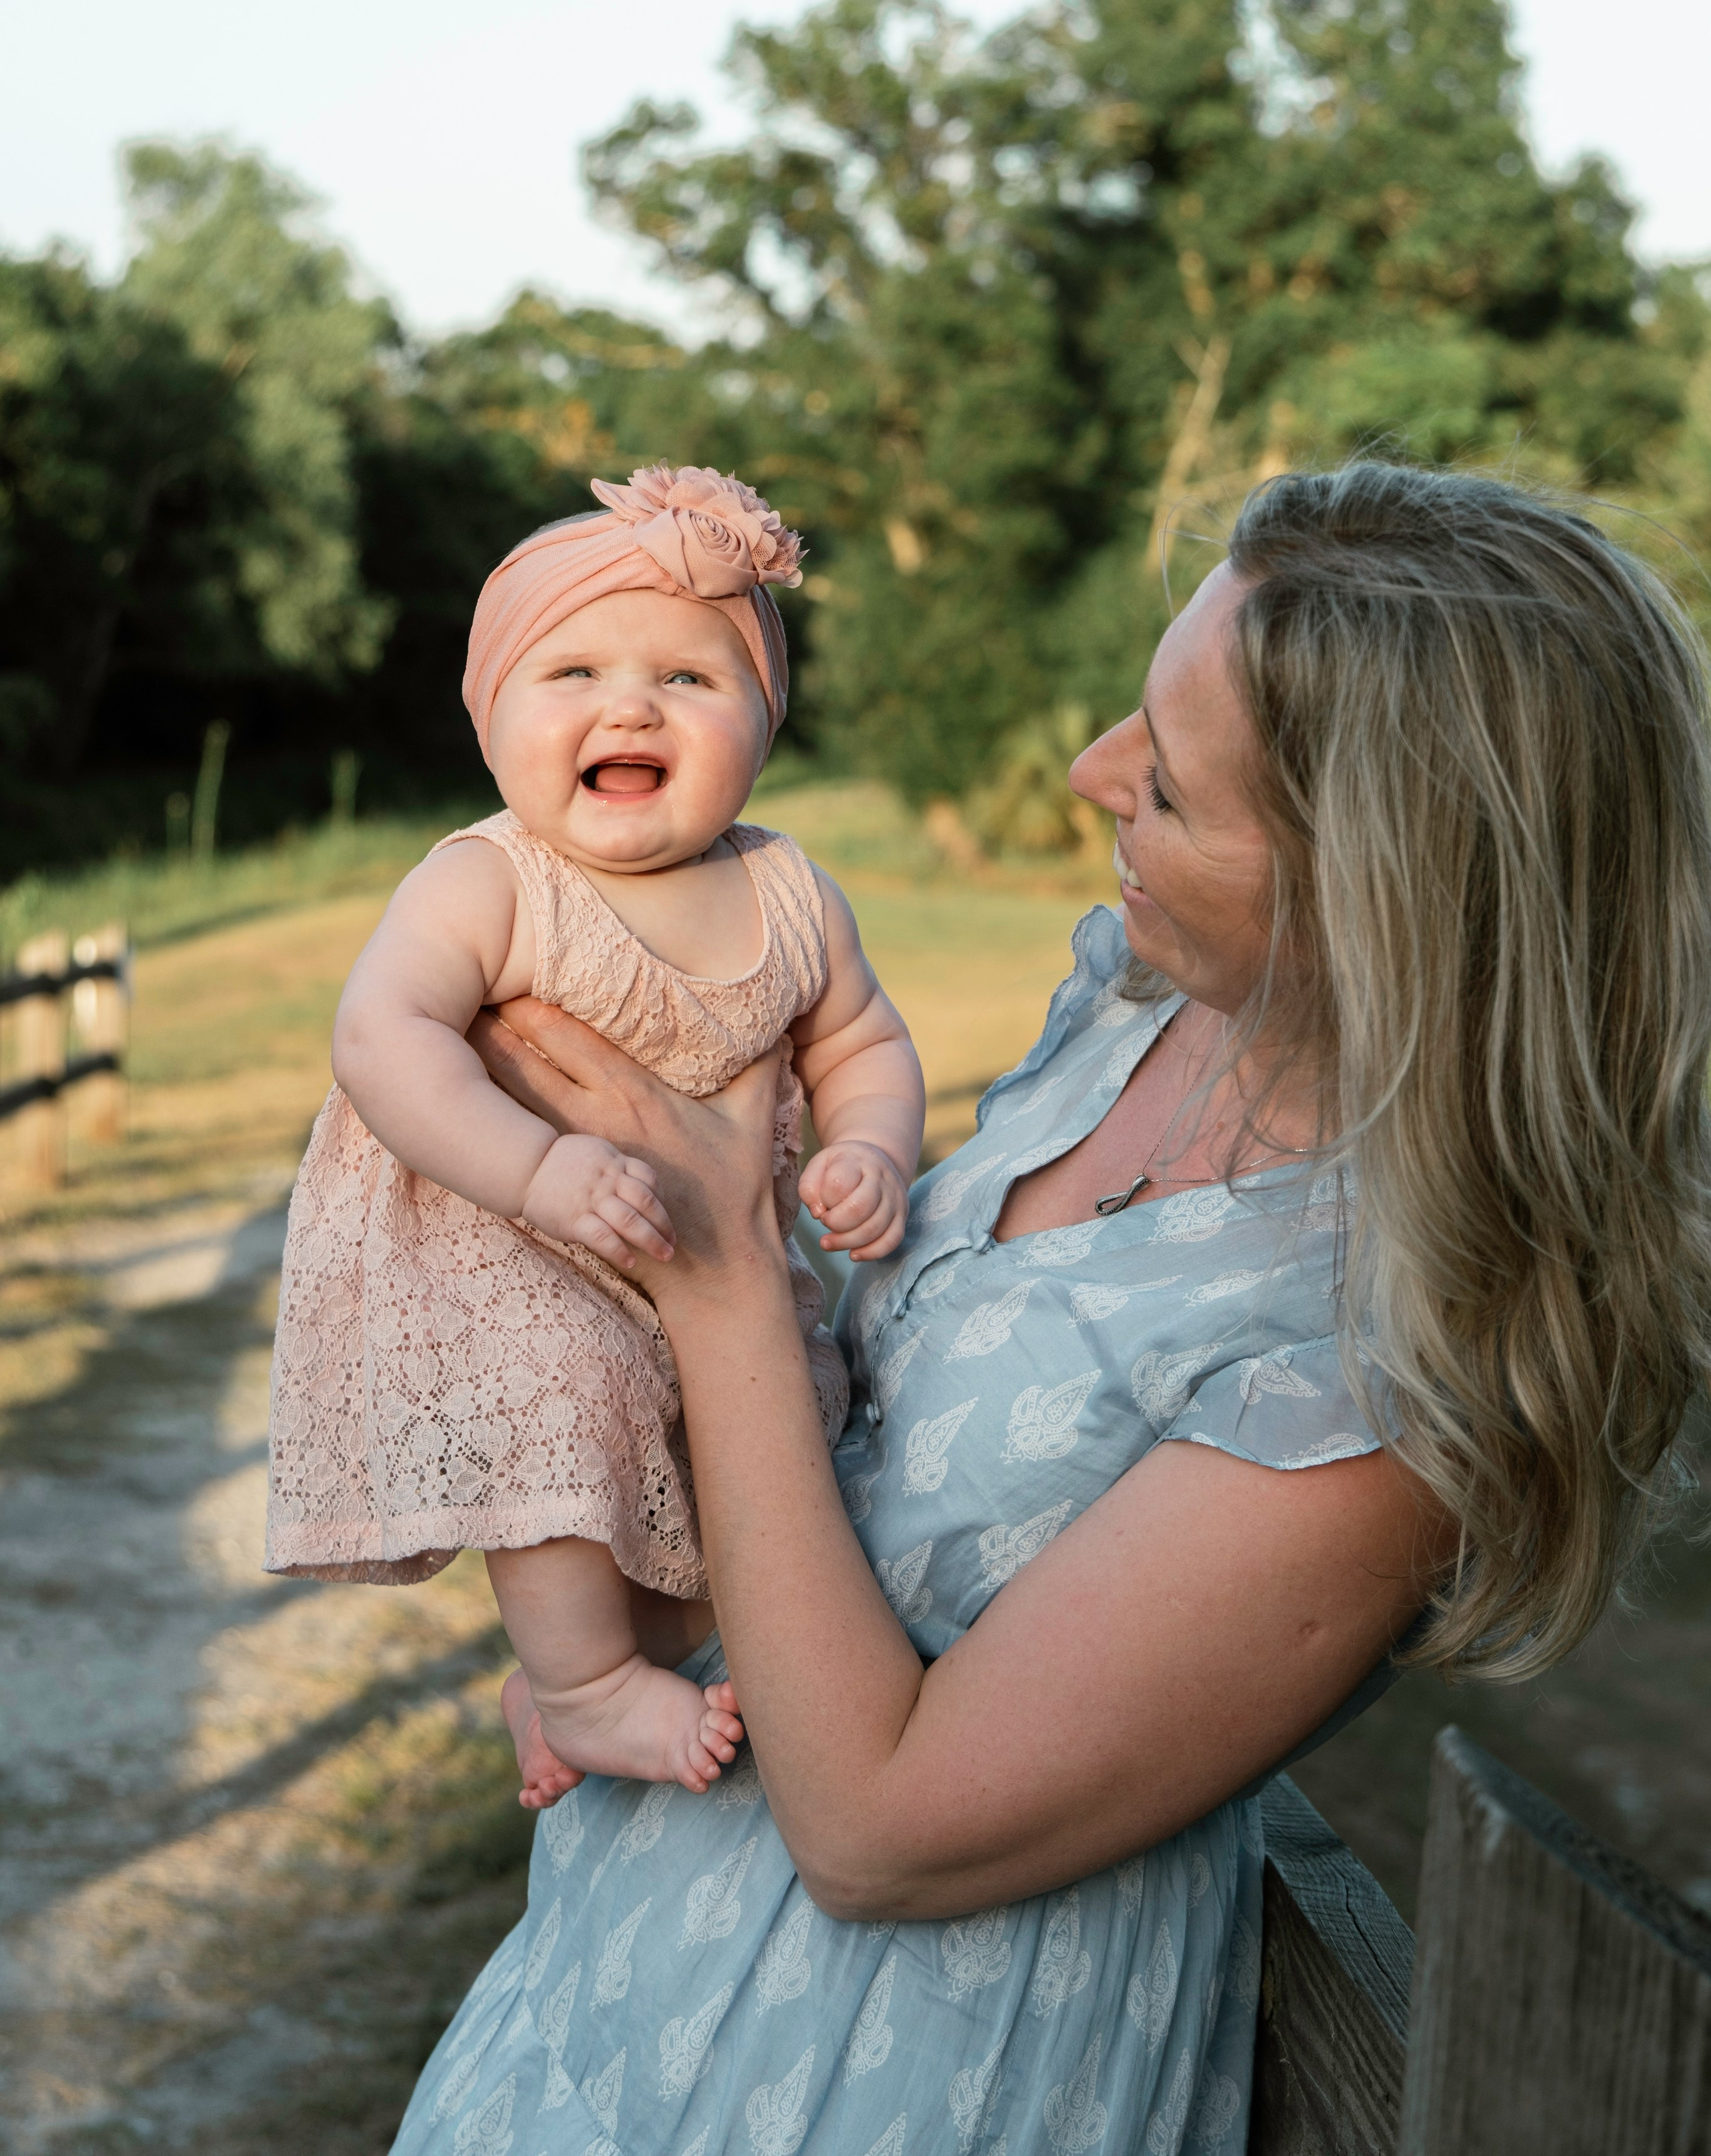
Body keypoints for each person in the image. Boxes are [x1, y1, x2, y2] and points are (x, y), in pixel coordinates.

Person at [390, 461, 1711, 2156]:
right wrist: (623, 1632)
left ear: (1367, 893)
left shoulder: (1388, 1377)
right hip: (614, 1965)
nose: (1091, 777)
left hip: (889, 2078)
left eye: (1162, 784)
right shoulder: (1143, 1009)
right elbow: (872, 1456)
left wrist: (716, 1270)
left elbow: (882, 1834)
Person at [265, 463, 926, 1798]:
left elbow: (863, 1043)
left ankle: (579, 1667)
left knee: (793, 1425)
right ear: (489, 718)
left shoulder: (787, 892)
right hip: (508, 1248)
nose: (628, 701)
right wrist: (537, 1166)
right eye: (568, 673)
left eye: (689, 679)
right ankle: (584, 1685)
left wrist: (871, 1146)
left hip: (711, 1252)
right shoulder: (486, 882)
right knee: (565, 1413)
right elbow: (382, 1036)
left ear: (764, 719)